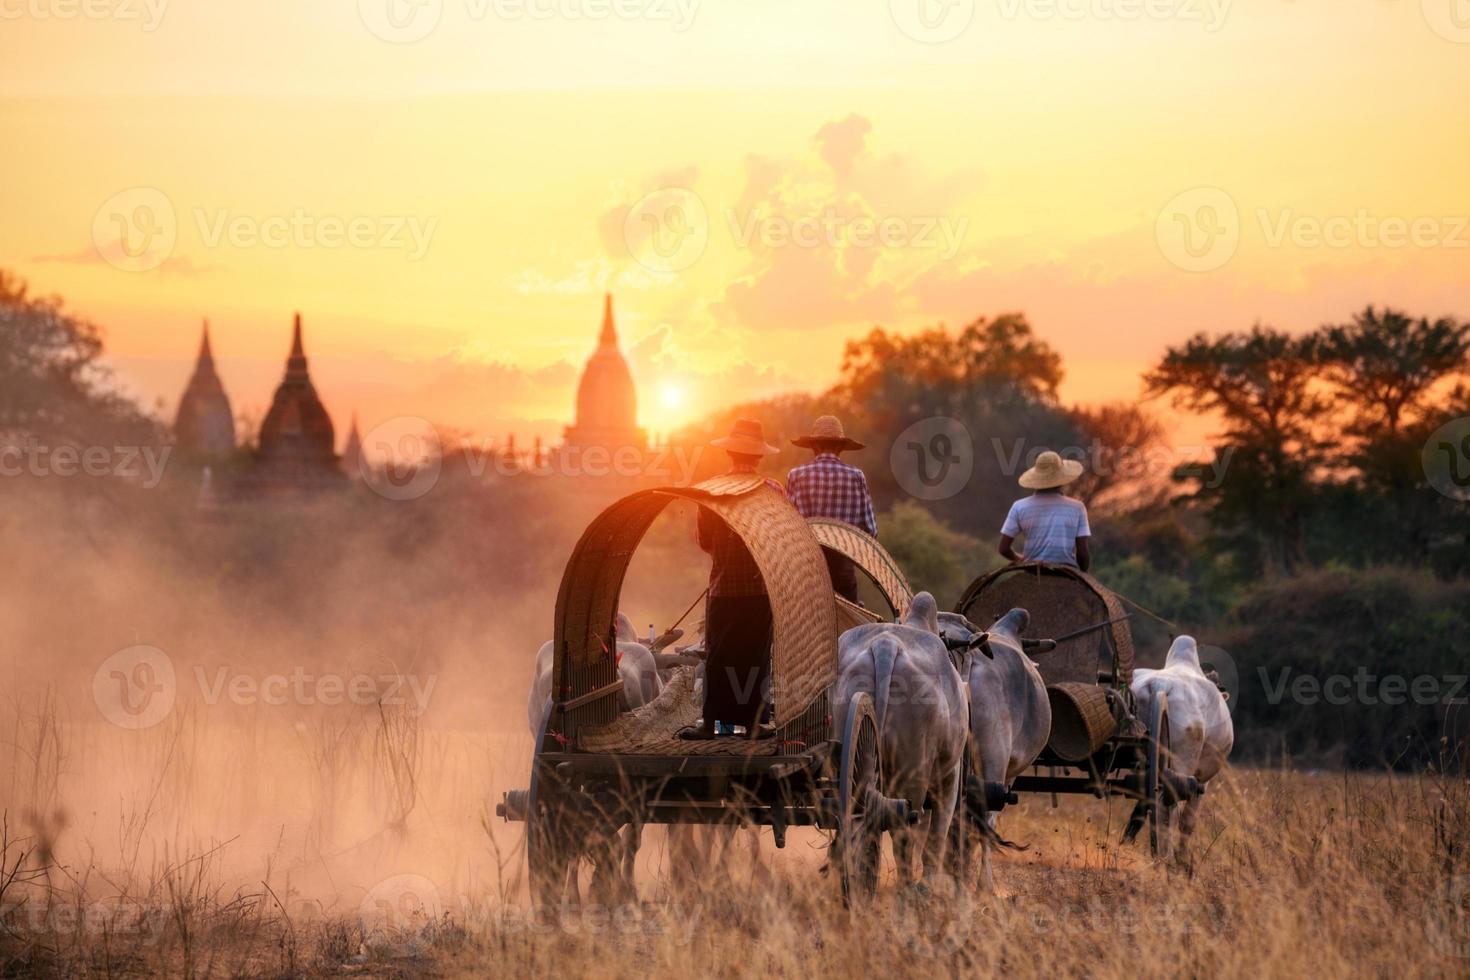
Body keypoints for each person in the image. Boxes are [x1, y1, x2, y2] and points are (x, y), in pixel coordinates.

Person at [682, 418, 782, 740]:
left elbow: (705, 541)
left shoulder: (711, 490)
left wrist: (728, 552)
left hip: (724, 589)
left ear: (728, 452)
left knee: (720, 656)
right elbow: (783, 537)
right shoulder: (773, 490)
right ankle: (753, 725)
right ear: (759, 457)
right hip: (760, 590)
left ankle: (717, 725)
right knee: (754, 656)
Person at [785, 414, 876, 603]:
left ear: (814, 446)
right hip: (844, 564)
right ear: (841, 448)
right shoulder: (856, 476)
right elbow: (870, 530)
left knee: (809, 622)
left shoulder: (796, 475)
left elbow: (788, 527)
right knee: (847, 623)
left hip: (808, 567)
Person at [998, 450, 1092, 571]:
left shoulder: (1019, 506)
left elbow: (1004, 549)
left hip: (1032, 572)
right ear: (1062, 478)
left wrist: (1020, 559)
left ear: (1036, 478)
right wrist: (1083, 575)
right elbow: (1082, 553)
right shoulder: (1077, 507)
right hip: (1065, 572)